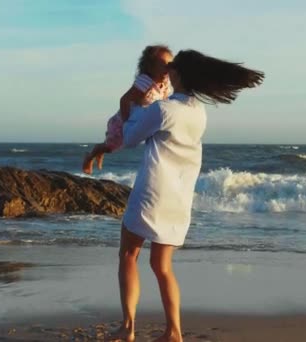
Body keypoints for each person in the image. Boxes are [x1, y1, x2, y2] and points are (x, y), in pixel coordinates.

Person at [113, 49, 264, 342]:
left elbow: (130, 136)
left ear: (178, 75)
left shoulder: (163, 110)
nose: (167, 72)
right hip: (179, 199)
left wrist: (131, 105)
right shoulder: (198, 112)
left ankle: (128, 327)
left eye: (172, 68)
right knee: (162, 266)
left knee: (129, 255)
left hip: (151, 193)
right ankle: (174, 332)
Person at [82, 45, 173, 175]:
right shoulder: (145, 82)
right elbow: (124, 100)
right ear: (150, 68)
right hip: (123, 121)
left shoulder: (165, 85)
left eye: (170, 65)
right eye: (163, 65)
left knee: (114, 147)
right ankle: (91, 155)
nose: (168, 69)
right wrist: (126, 124)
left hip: (137, 120)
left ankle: (102, 151)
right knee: (111, 146)